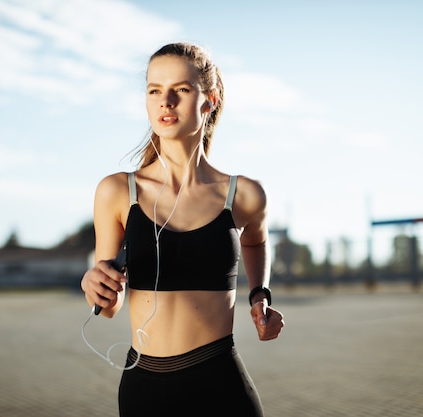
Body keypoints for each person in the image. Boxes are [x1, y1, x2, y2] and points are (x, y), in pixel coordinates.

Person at [80, 42, 284, 417]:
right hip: (145, 390)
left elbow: (256, 240)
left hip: (221, 386)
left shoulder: (243, 195)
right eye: (154, 90)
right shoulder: (117, 192)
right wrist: (96, 287)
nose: (165, 101)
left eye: (182, 90)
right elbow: (109, 307)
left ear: (210, 101)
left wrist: (260, 294)